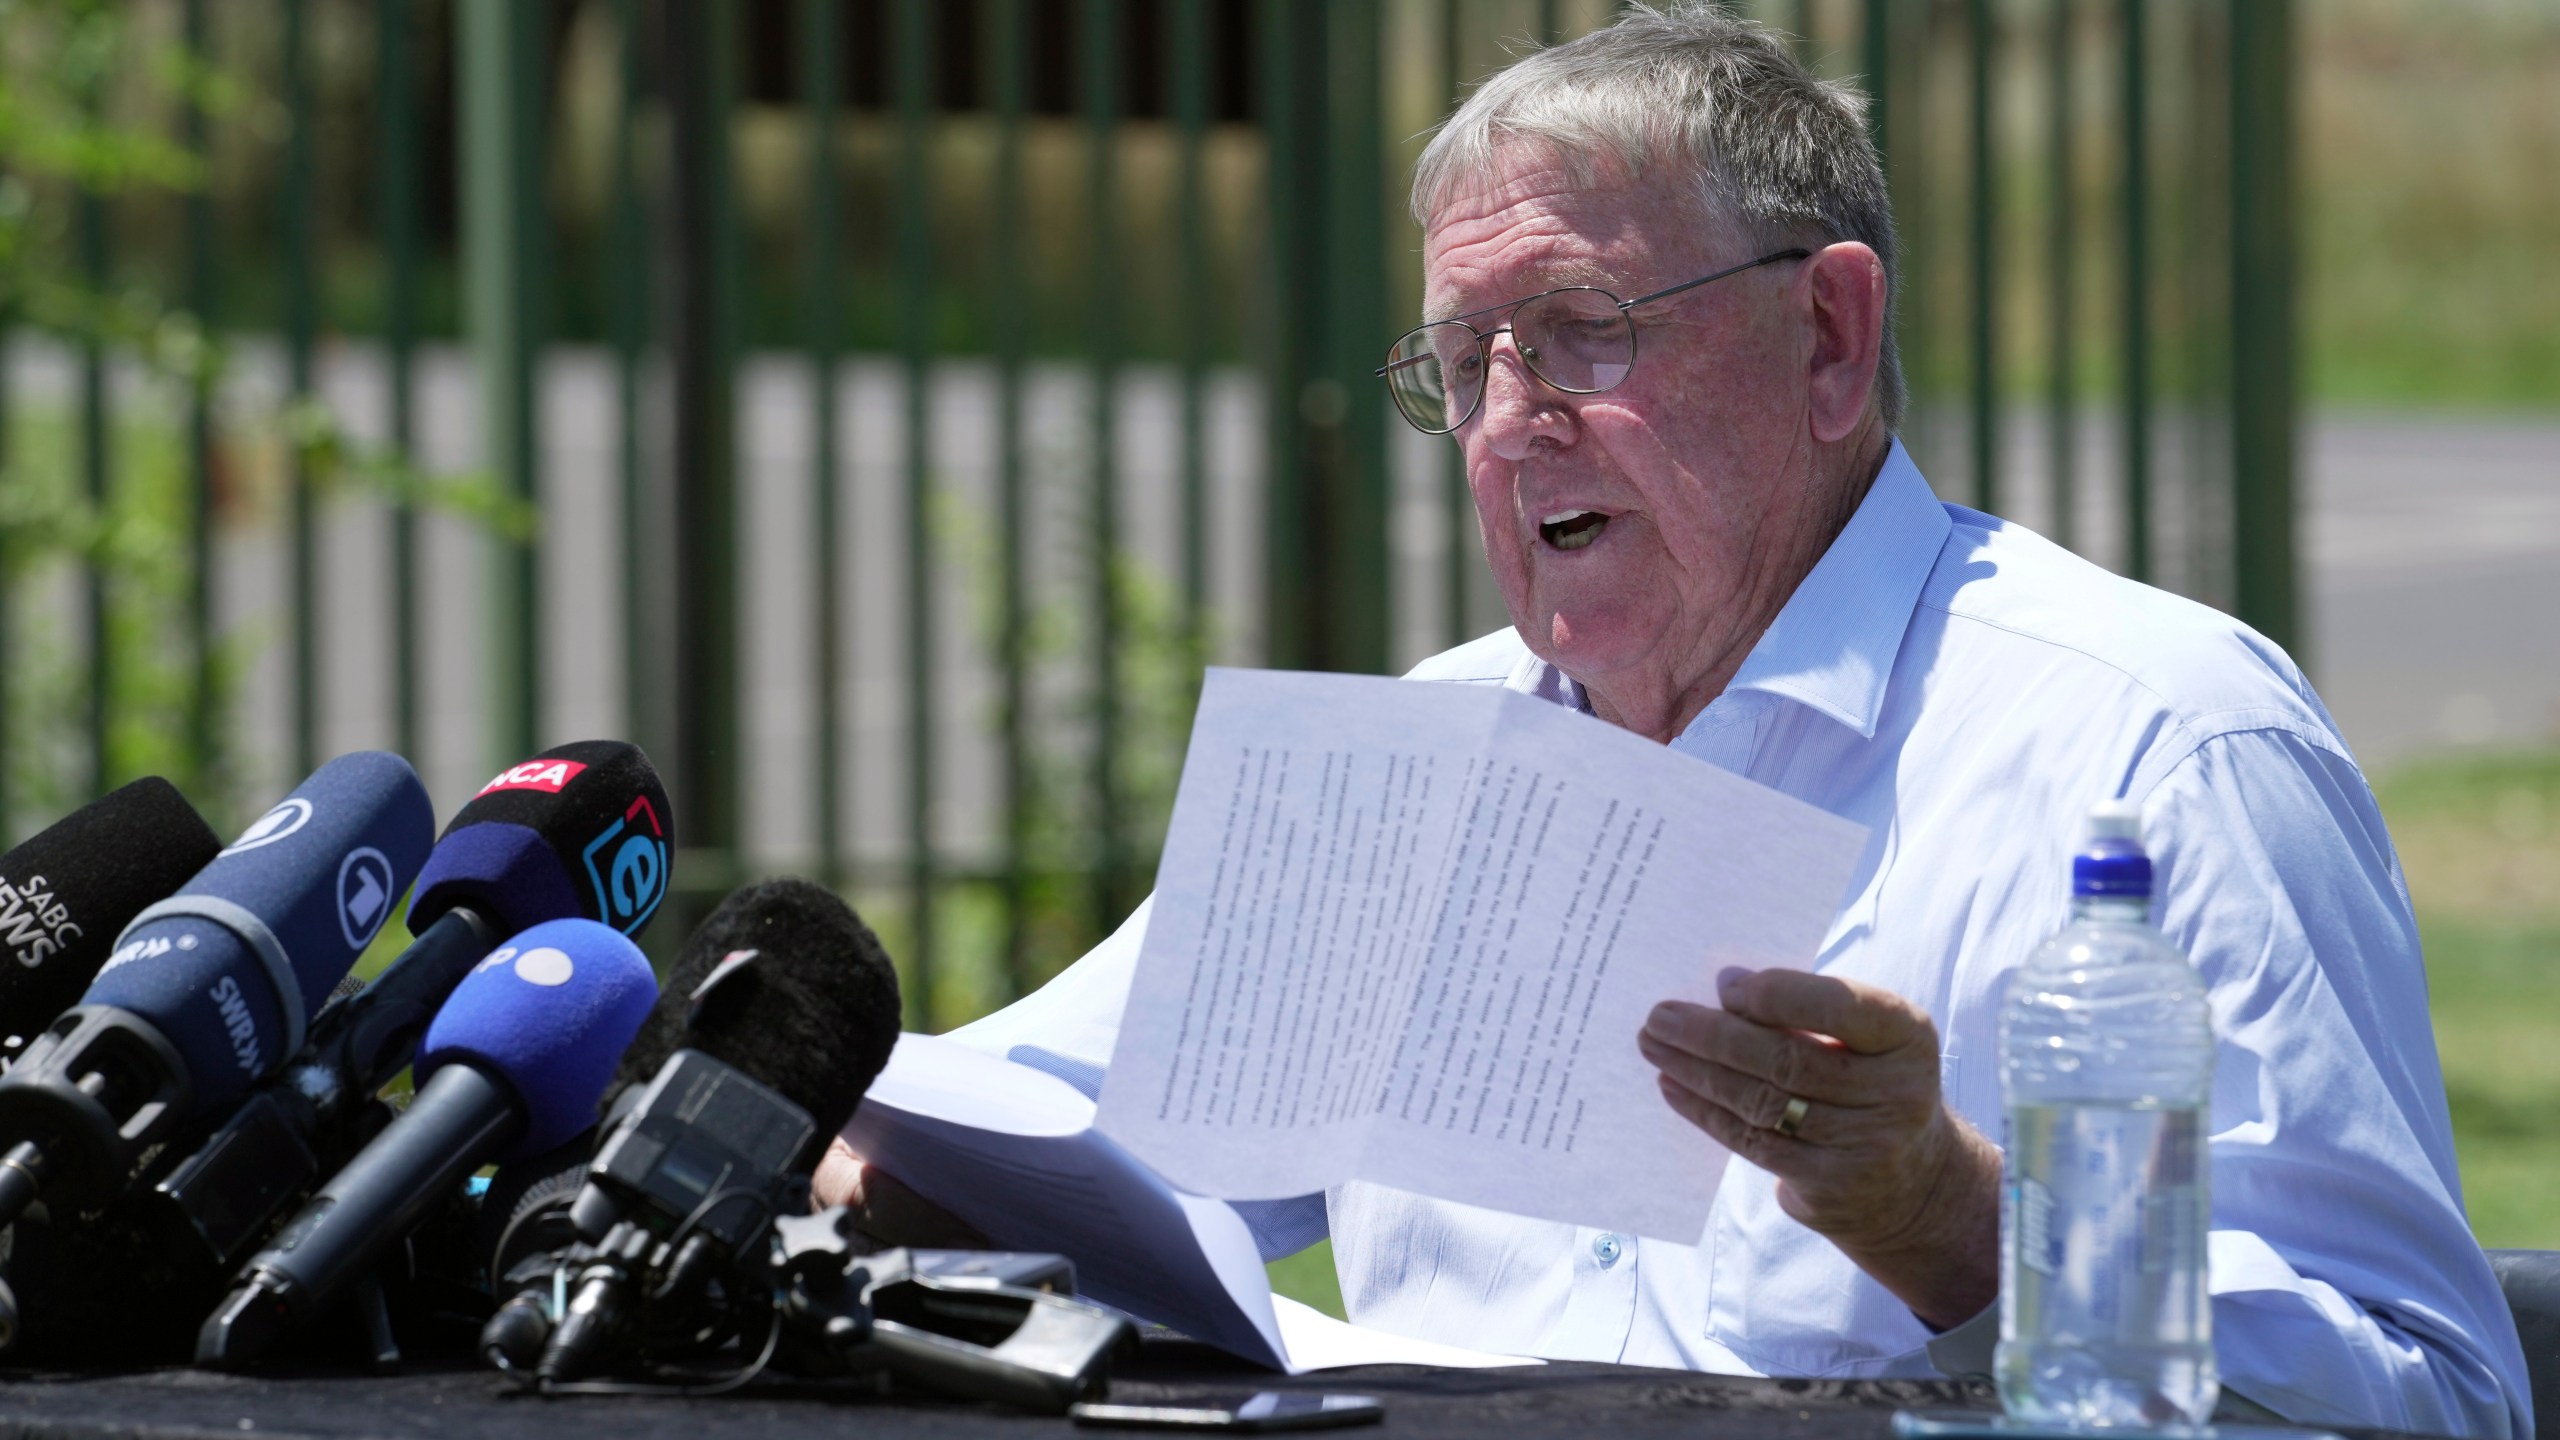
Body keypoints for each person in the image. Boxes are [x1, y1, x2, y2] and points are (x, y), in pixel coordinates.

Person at [817, 6, 2529, 1434]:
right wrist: (827, 1139)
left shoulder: (2159, 742)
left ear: (1831, 336)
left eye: (1579, 335)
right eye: (1462, 361)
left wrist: (1952, 1221)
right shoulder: (1428, 755)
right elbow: (1025, 1127)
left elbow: (2441, 1395)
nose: (1506, 423)